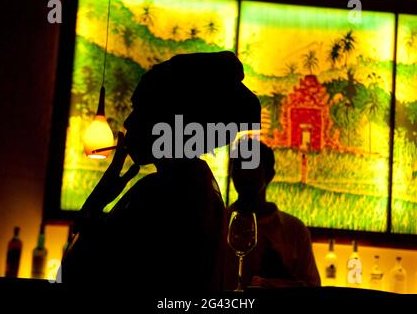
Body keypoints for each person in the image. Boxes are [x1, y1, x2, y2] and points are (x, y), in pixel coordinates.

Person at [61, 51, 261, 292]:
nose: (128, 122)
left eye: (140, 110)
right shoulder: (197, 182)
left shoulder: (162, 193)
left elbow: (76, 275)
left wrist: (96, 201)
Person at [224, 140, 321, 290]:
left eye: (252, 166)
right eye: (239, 166)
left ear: (269, 175)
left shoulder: (295, 231)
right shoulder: (217, 224)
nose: (245, 173)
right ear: (231, 172)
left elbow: (312, 286)